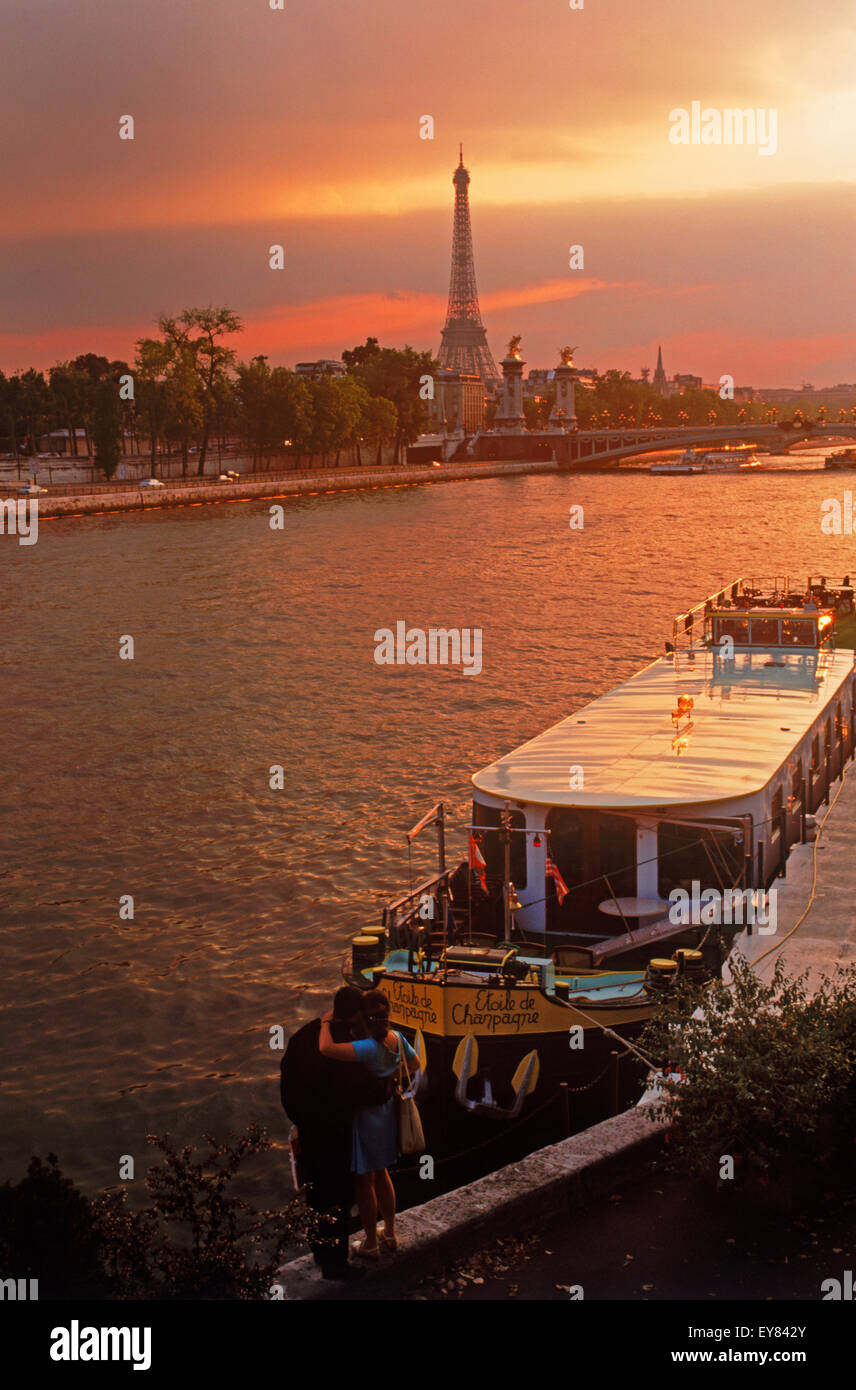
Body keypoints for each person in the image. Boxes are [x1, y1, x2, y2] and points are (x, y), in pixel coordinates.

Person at [280, 986, 387, 1281]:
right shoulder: (346, 1047)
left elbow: (286, 1083)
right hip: (336, 1133)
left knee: (316, 1193)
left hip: (311, 1131)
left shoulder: (304, 1036)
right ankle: (336, 1265)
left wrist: (300, 1120)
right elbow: (366, 1091)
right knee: (339, 1196)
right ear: (356, 1014)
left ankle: (319, 1250)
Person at [319, 988, 418, 1258]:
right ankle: (390, 1232)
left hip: (366, 1119)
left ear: (364, 1018)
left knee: (365, 1182)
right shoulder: (396, 1039)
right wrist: (392, 1078)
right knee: (383, 1173)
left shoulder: (366, 1049)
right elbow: (416, 1063)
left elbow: (326, 1048)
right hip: (387, 1115)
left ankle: (371, 1243)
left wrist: (326, 1022)